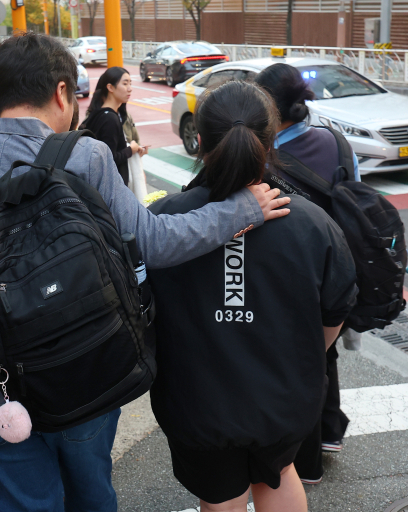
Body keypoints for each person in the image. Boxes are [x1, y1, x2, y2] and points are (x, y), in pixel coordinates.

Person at [0, 32, 290, 512]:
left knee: (24, 503)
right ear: (60, 92)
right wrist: (241, 210)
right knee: (91, 494)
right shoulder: (86, 156)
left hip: (0, 393)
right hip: (86, 375)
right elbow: (154, 242)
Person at [147, 79, 358, 512]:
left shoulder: (162, 223)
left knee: (219, 491)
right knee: (279, 473)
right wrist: (302, 355)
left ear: (199, 141)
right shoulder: (312, 224)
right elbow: (335, 312)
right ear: (271, 139)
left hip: (196, 400)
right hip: (283, 396)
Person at [255, 63, 362, 485]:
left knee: (296, 358)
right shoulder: (337, 142)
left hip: (288, 274)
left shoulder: (263, 154)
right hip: (335, 268)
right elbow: (355, 198)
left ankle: (304, 455)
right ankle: (329, 431)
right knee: (323, 350)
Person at [82, 67, 145, 186]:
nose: (130, 89)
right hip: (110, 186)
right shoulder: (110, 119)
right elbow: (110, 158)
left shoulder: (99, 114)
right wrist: (130, 150)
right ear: (110, 87)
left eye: (130, 83)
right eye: (125, 83)